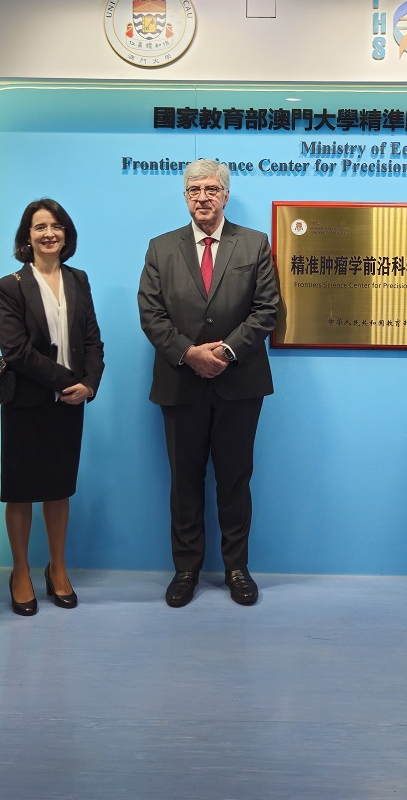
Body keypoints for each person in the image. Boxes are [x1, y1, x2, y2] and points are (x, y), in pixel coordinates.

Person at [137, 159, 279, 608]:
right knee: (185, 482)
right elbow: (151, 313)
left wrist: (226, 352)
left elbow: (268, 309)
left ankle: (237, 568)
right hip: (180, 383)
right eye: (194, 189)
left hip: (240, 383)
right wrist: (189, 353)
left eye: (211, 189)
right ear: (185, 197)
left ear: (225, 196)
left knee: (235, 480)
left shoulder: (254, 244)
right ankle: (186, 570)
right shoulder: (161, 248)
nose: (203, 197)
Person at [0, 199, 105, 616]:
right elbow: (16, 351)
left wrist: (89, 384)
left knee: (59, 489)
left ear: (66, 234)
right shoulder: (9, 286)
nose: (49, 233)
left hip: (71, 403)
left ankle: (57, 568)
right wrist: (67, 381)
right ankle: (20, 571)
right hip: (26, 402)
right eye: (40, 226)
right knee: (21, 491)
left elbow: (92, 341)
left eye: (56, 226)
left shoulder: (78, 279)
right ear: (27, 236)